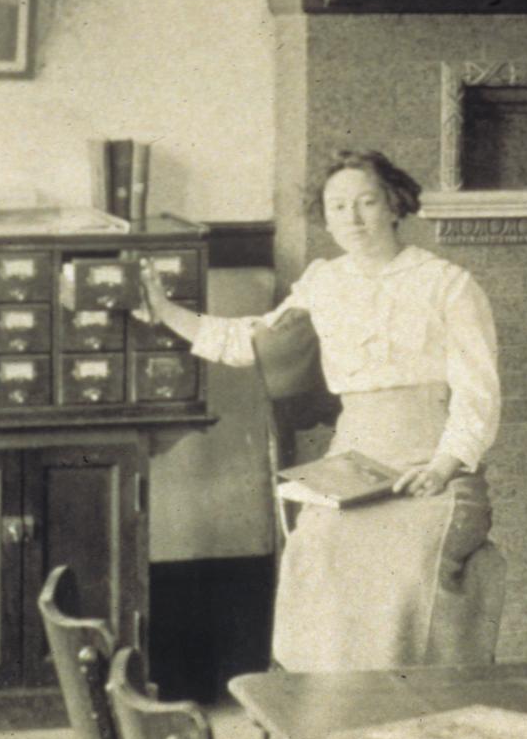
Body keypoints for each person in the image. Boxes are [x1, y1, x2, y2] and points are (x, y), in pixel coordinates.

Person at [135, 149, 501, 671]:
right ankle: (334, 706)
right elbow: (249, 342)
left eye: (366, 202)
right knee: (319, 548)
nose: (351, 218)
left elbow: (478, 392)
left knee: (405, 564)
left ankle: (408, 707)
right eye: (337, 207)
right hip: (355, 466)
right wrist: (165, 312)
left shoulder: (449, 285)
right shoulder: (323, 283)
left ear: (395, 205)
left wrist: (444, 465)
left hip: (435, 471)